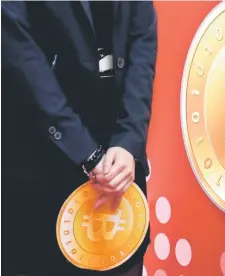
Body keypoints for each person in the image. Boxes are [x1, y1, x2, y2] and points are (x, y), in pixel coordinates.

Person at [2, 1, 157, 275]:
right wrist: (87, 153)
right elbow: (24, 61)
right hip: (40, 157)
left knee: (122, 263)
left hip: (117, 156)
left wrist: (129, 140)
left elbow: (142, 38)